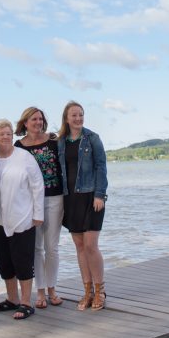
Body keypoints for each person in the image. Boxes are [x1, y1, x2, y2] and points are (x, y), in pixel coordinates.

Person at [0, 118, 44, 320]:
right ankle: (12, 299)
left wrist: (38, 214)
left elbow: (37, 185)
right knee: (4, 261)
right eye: (1, 134)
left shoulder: (24, 157)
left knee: (23, 260)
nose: (6, 137)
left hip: (23, 218)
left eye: (9, 133)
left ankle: (26, 302)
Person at [57, 101, 108, 311]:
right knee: (79, 246)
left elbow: (101, 167)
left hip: (91, 198)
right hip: (70, 199)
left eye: (81, 115)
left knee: (90, 245)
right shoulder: (60, 141)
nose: (78, 118)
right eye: (74, 115)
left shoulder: (92, 138)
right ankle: (87, 291)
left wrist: (100, 195)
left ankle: (100, 290)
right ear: (66, 118)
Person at [14, 106, 64, 309]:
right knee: (36, 248)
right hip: (31, 202)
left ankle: (52, 289)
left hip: (55, 198)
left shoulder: (53, 140)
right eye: (33, 119)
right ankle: (40, 291)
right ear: (25, 123)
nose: (38, 122)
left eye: (40, 119)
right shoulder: (19, 146)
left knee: (52, 247)